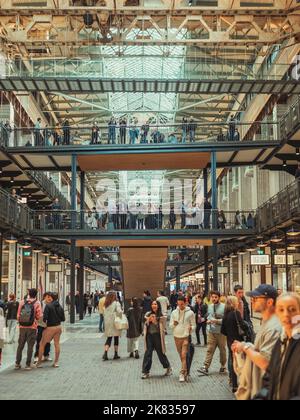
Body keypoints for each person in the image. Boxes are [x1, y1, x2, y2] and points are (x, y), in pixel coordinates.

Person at [232, 284, 282, 400]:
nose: (252, 301)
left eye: (256, 298)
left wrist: (245, 347)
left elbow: (266, 361)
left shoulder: (274, 327)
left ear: (269, 302)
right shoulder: (267, 322)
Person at [256, 293, 300, 400]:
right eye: (281, 310)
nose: (286, 314)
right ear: (276, 313)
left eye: (292, 309)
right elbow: (269, 378)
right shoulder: (281, 342)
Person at [221, 296, 249, 393]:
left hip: (230, 341)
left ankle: (234, 385)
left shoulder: (225, 315)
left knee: (233, 361)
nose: (238, 303)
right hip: (239, 341)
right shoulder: (236, 313)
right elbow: (243, 325)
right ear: (233, 303)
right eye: (236, 302)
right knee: (242, 361)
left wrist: (230, 335)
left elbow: (222, 330)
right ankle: (243, 383)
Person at [142, 300, 172, 379]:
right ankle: (145, 372)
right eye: (152, 304)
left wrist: (155, 321)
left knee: (160, 353)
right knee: (148, 353)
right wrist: (148, 320)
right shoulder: (148, 314)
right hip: (149, 336)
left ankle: (168, 367)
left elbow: (163, 328)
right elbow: (145, 324)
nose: (153, 305)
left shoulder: (161, 315)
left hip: (157, 336)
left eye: (155, 304)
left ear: (158, 305)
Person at [199, 291, 227, 376]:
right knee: (209, 349)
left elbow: (226, 320)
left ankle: (223, 366)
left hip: (221, 333)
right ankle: (205, 366)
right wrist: (208, 320)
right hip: (211, 332)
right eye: (212, 297)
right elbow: (210, 316)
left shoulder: (224, 307)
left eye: (215, 297)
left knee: (222, 350)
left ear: (219, 297)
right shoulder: (210, 306)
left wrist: (216, 321)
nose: (214, 299)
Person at [170, 296, 196, 382]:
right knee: (181, 356)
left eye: (182, 304)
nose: (180, 306)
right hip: (176, 336)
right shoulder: (174, 312)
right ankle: (186, 371)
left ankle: (182, 373)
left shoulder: (190, 313)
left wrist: (191, 328)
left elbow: (194, 325)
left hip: (185, 336)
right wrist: (174, 324)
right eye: (178, 304)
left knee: (184, 355)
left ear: (185, 303)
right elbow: (170, 326)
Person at [36, 292, 65, 369]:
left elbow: (45, 318)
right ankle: (56, 362)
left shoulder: (48, 306)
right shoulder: (60, 306)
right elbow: (63, 319)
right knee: (57, 344)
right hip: (58, 327)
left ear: (51, 298)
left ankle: (39, 363)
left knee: (42, 343)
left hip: (50, 327)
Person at [15, 288, 42, 371]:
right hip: (32, 327)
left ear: (29, 294)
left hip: (22, 327)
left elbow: (18, 315)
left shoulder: (22, 302)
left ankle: (17, 363)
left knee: (20, 345)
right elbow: (39, 316)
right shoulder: (37, 303)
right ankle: (27, 364)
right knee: (30, 346)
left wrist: (21, 322)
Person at [103, 292, 123, 361]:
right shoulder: (116, 303)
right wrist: (121, 313)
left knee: (109, 338)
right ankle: (116, 354)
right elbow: (119, 311)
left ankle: (105, 353)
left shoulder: (106, 304)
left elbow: (104, 313)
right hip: (115, 323)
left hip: (108, 323)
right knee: (116, 338)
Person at [34, 293, 51, 364]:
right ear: (44, 297)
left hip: (48, 325)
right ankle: (37, 355)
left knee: (48, 340)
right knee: (39, 340)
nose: (50, 298)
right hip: (40, 325)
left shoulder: (51, 304)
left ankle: (46, 354)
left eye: (50, 297)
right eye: (48, 297)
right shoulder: (40, 304)